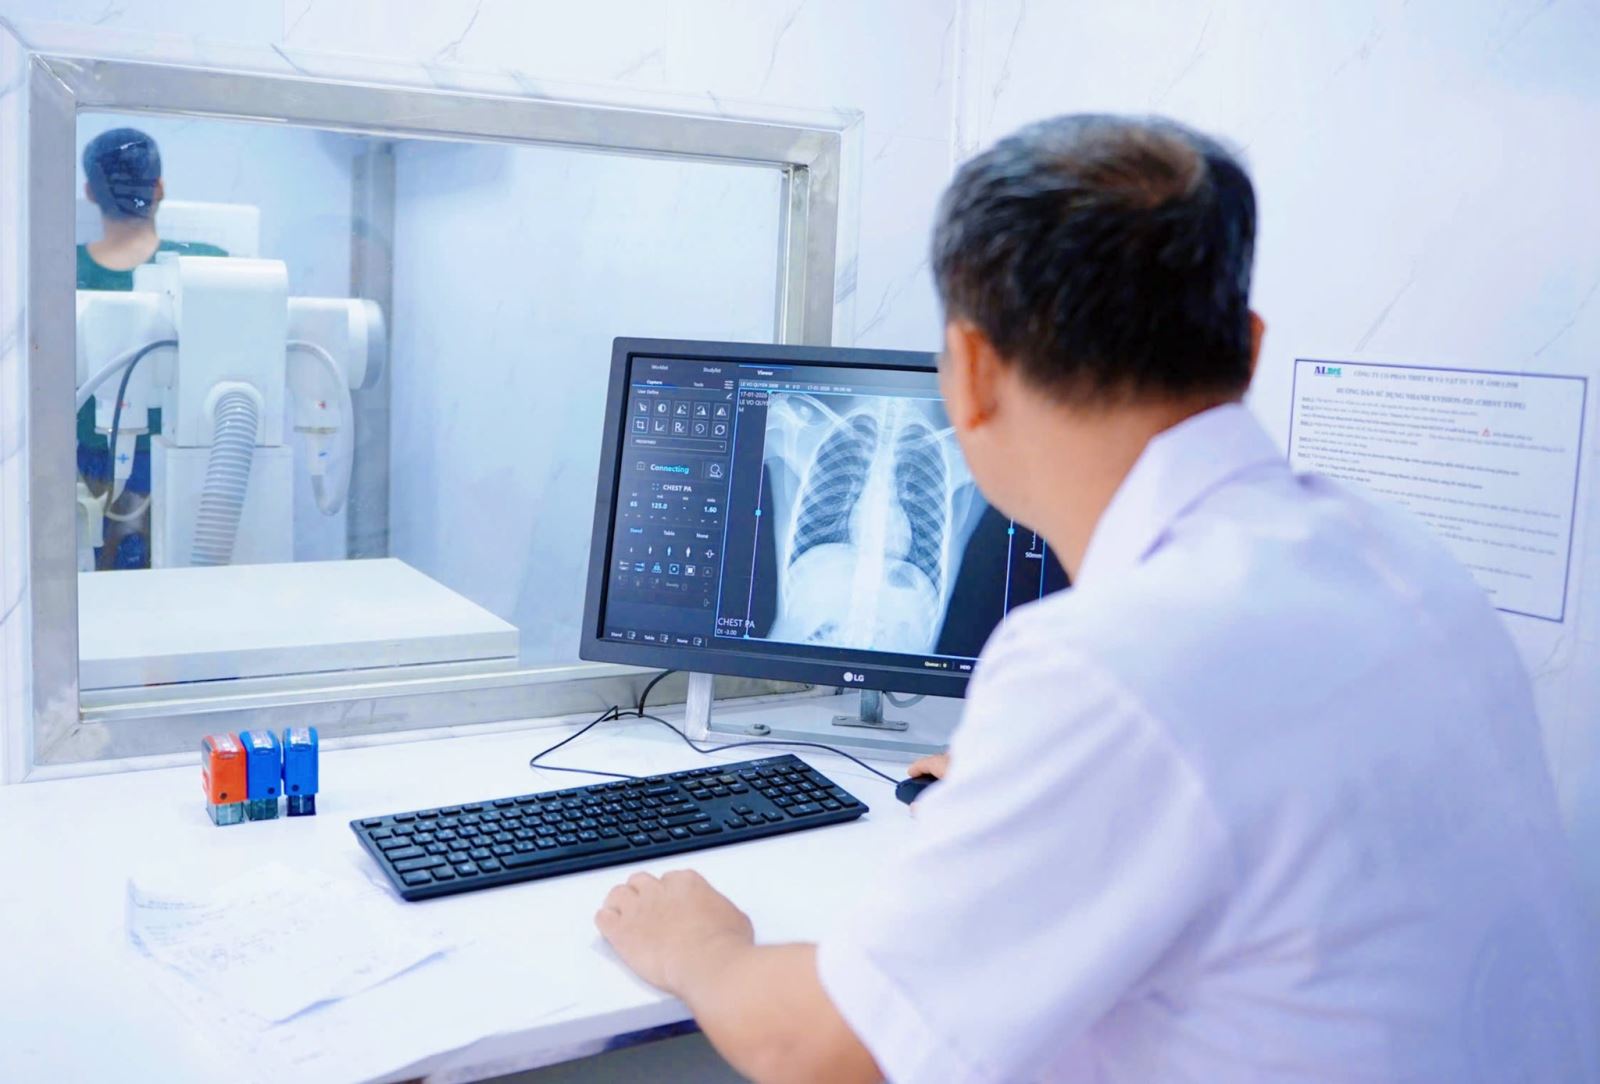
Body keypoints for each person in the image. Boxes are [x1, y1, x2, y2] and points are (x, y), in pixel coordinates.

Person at [592, 115, 1599, 1082]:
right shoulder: (1404, 560)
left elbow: (823, 1049)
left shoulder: (1105, 666)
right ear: (1250, 348)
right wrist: (1032, 776)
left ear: (970, 371)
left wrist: (700, 945)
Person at [77, 127, 227, 568]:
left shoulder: (57, 268)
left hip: (84, 468)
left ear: (90, 192)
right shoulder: (208, 266)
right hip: (193, 465)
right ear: (158, 188)